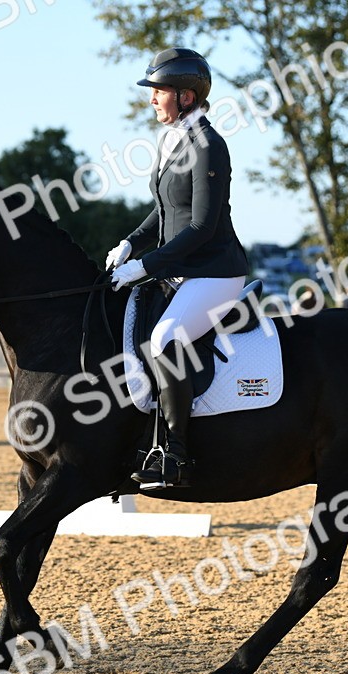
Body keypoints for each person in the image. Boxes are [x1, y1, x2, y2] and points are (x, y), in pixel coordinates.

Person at [105, 47, 249, 489]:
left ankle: (175, 455)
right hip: (178, 270)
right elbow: (165, 210)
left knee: (165, 339)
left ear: (186, 97)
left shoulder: (209, 146)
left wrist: (145, 265)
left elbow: (202, 226)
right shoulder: (171, 140)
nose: (152, 98)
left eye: (159, 91)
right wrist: (131, 243)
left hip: (214, 272)